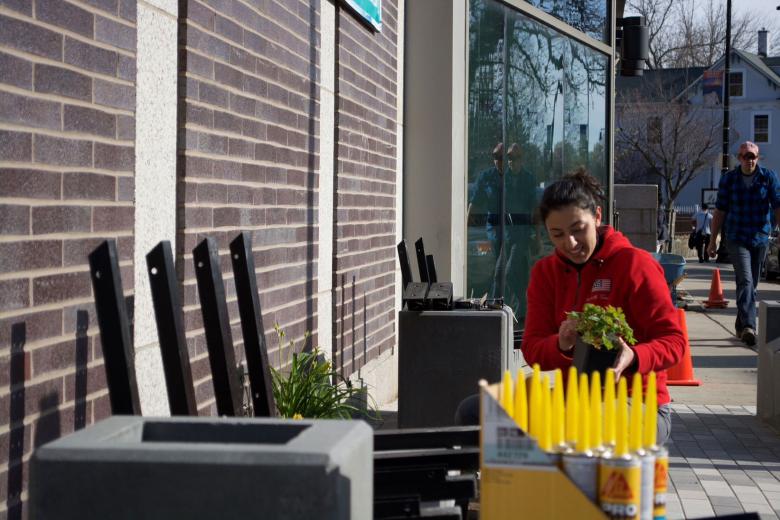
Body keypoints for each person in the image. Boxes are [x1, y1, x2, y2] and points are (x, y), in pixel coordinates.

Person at [520, 168, 685, 444]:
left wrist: (634, 356)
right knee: (477, 412)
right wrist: (560, 343)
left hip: (641, 403)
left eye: (577, 230)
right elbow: (532, 349)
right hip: (575, 400)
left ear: (597, 216)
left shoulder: (635, 264)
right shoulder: (545, 273)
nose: (569, 243)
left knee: (583, 423)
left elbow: (675, 342)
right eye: (557, 234)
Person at [706, 141, 780, 346]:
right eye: (746, 156)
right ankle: (749, 326)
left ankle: (740, 325)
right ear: (739, 158)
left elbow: (777, 206)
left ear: (758, 158)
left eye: (753, 157)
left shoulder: (768, 178)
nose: (750, 160)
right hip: (736, 237)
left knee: (751, 284)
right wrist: (713, 241)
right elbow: (719, 211)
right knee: (746, 280)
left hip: (760, 237)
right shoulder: (729, 180)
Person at [469, 142, 541, 318]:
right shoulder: (501, 178)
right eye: (505, 158)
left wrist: (536, 236)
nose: (509, 162)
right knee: (502, 272)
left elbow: (534, 208)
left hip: (520, 234)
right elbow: (477, 202)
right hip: (505, 234)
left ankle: (515, 306)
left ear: (521, 159)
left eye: (513, 158)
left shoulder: (526, 179)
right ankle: (499, 309)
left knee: (508, 272)